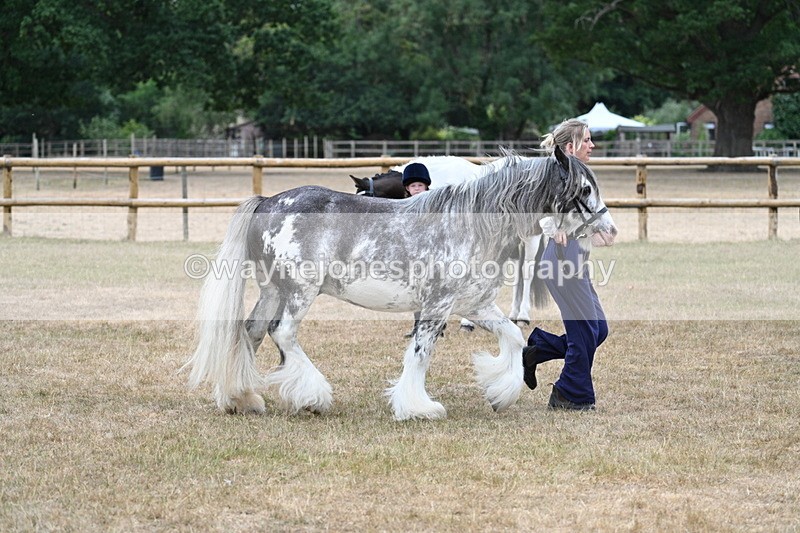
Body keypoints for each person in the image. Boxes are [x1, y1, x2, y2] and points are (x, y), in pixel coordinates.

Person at [522, 118, 609, 410]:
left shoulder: (577, 172)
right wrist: (551, 227)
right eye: (587, 140)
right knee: (586, 330)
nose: (592, 145)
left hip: (576, 256)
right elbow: (536, 204)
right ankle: (571, 393)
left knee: (598, 329)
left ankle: (540, 348)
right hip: (561, 258)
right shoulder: (554, 173)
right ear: (570, 147)